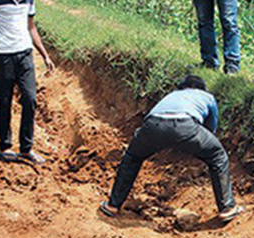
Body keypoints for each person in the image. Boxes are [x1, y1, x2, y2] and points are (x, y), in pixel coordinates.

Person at [99, 75, 243, 222]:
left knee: (132, 157)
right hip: (185, 125)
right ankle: (227, 207)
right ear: (202, 88)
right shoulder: (207, 97)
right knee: (217, 156)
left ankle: (113, 205)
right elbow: (209, 130)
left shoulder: (172, 95)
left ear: (182, 87)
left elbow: (152, 122)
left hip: (152, 125)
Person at [0, 0, 54, 165]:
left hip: (24, 54)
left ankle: (26, 148)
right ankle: (5, 146)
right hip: (3, 56)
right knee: (5, 101)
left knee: (30, 99)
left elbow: (31, 27)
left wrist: (44, 54)